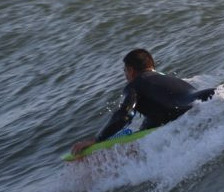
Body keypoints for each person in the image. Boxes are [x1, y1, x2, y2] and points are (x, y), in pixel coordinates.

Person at [71, 48, 216, 155]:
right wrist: (141, 133)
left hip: (190, 111)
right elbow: (162, 112)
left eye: (125, 72)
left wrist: (97, 139)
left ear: (131, 71)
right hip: (211, 99)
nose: (126, 77)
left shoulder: (135, 85)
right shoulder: (167, 80)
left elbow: (125, 115)